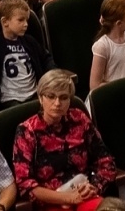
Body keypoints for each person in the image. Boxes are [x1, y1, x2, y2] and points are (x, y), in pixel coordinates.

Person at [11, 68, 118, 206]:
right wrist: (67, 198)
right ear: (40, 98)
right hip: (51, 202)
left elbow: (106, 161)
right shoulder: (27, 131)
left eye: (63, 97)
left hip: (84, 194)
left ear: (70, 99)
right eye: (51, 96)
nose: (57, 103)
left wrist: (94, 187)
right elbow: (25, 184)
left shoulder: (79, 119)